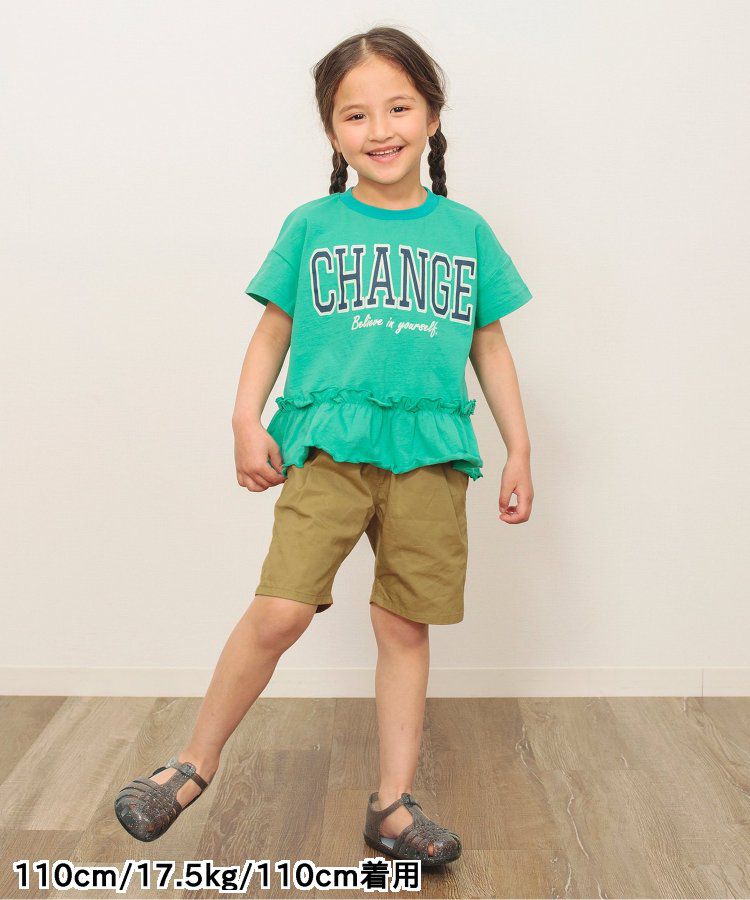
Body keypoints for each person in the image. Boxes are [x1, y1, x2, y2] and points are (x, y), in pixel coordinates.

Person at [114, 25, 534, 867]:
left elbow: (488, 344)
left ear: (433, 115)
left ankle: (392, 808)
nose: (380, 129)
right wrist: (245, 419)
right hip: (329, 446)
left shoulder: (466, 231)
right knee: (282, 609)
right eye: (355, 114)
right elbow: (274, 328)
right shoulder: (313, 225)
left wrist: (519, 448)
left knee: (404, 625)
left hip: (431, 454)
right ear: (332, 131)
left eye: (399, 108)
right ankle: (192, 763)